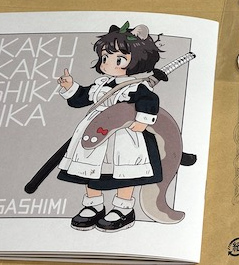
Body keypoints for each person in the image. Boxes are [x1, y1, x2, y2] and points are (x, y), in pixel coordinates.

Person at [57, 22, 166, 232]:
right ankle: (93, 206)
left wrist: (142, 120)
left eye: (118, 59)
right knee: (89, 169)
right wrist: (71, 87)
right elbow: (81, 98)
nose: (108, 64)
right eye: (105, 58)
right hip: (95, 131)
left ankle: (123, 209)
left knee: (124, 171)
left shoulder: (136, 86)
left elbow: (149, 101)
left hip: (124, 134)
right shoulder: (100, 85)